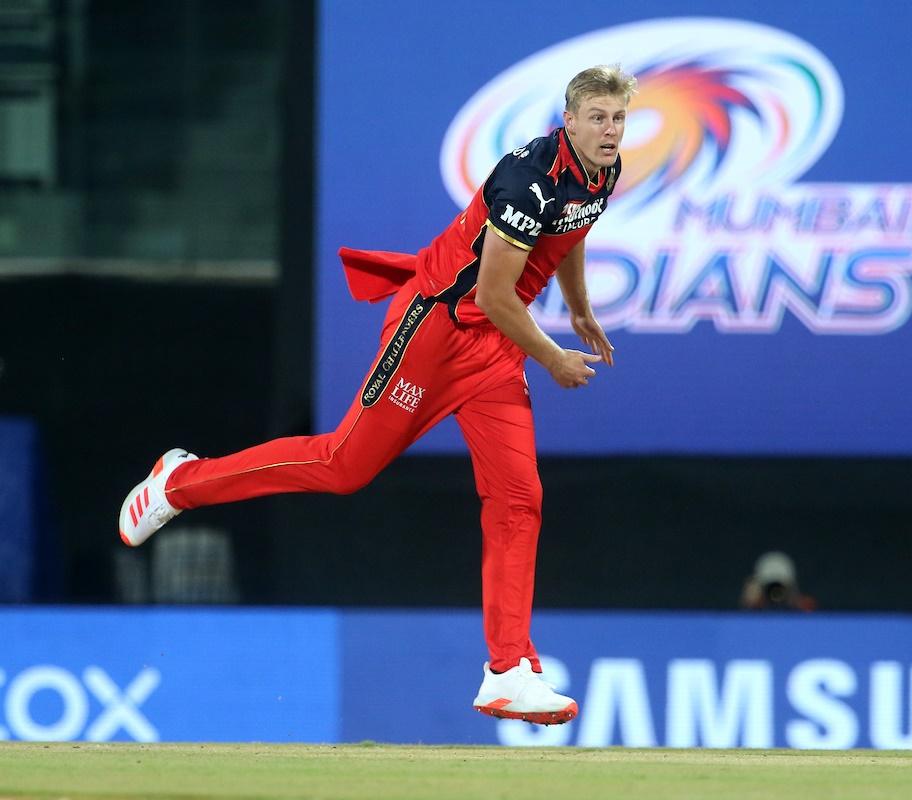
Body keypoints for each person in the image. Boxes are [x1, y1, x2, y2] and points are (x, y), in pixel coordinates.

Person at [117, 65, 638, 726]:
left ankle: (507, 670)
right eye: (598, 117)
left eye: (618, 118)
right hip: (437, 330)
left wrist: (580, 308)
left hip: (493, 353)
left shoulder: (604, 170)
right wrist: (555, 355)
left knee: (518, 497)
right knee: (342, 467)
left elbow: (571, 235)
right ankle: (180, 482)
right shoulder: (526, 179)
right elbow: (493, 296)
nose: (610, 130)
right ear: (568, 120)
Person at [739, 551, 818, 612]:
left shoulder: (795, 602)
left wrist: (798, 603)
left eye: (779, 587)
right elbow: (747, 607)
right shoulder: (753, 610)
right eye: (770, 586)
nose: (775, 593)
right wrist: (752, 603)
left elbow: (810, 612)